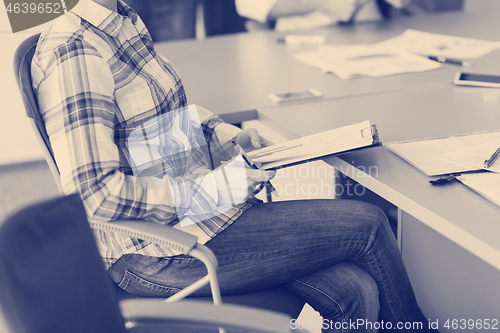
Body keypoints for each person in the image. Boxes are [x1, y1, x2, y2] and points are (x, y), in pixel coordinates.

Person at [31, 0, 438, 331]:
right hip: (159, 251)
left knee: (357, 290)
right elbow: (95, 197)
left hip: (205, 220)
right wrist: (221, 188)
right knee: (368, 225)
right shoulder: (75, 49)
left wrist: (223, 132)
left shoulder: (120, 19)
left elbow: (162, 114)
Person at [235, 0, 411, 31]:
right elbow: (251, 5)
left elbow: (401, 2)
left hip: (370, 32)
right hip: (304, 38)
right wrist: (324, 2)